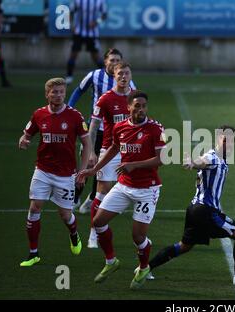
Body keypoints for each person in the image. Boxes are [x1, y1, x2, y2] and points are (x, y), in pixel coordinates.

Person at [76, 90, 166, 289]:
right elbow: (114, 149)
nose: (141, 109)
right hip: (124, 185)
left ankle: (143, 267)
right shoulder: (120, 127)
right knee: (98, 221)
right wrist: (94, 169)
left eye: (144, 106)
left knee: (138, 236)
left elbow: (161, 159)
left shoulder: (155, 129)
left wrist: (135, 165)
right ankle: (111, 261)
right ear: (129, 107)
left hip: (147, 189)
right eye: (137, 106)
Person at [147, 125, 235, 286]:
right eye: (225, 139)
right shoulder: (213, 157)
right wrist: (192, 163)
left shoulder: (220, 158)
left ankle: (146, 268)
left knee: (184, 246)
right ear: (218, 139)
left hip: (195, 209)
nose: (229, 143)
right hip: (206, 211)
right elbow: (202, 162)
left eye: (232, 140)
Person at [18, 77, 91, 267]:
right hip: (42, 170)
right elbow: (26, 134)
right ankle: (33, 253)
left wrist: (82, 171)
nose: (58, 95)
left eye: (61, 92)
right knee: (34, 207)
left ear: (65, 93)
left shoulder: (75, 116)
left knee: (65, 215)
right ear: (47, 94)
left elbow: (87, 143)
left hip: (66, 174)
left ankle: (74, 234)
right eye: (54, 92)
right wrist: (24, 140)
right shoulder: (39, 114)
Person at [68, 48, 136, 221]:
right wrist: (68, 109)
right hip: (94, 129)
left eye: (117, 60)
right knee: (86, 163)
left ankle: (91, 200)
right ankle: (75, 197)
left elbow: (134, 102)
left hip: (113, 136)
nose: (114, 63)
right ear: (105, 61)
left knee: (101, 169)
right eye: (111, 60)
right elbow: (78, 91)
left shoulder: (127, 82)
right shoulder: (94, 75)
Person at [81, 61, 134, 249]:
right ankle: (93, 233)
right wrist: (92, 152)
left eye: (126, 73)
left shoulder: (135, 98)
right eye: (120, 74)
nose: (123, 77)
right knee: (102, 191)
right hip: (109, 151)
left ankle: (138, 239)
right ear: (114, 75)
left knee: (137, 192)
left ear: (130, 76)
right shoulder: (105, 99)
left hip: (132, 153)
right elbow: (93, 126)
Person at [65, 0, 107, 84]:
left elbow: (104, 15)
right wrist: (71, 25)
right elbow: (71, 12)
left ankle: (105, 76)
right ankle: (69, 76)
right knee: (73, 54)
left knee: (96, 56)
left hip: (92, 33)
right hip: (78, 32)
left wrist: (96, 22)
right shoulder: (78, 1)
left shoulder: (99, 1)